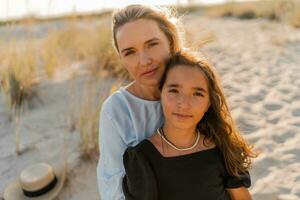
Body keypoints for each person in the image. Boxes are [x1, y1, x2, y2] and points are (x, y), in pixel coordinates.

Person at [122, 51, 258, 200]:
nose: (184, 104)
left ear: (209, 103)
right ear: (160, 94)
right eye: (174, 90)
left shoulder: (222, 148)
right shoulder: (142, 159)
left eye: (197, 94)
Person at [97, 4, 184, 199]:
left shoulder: (195, 86)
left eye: (152, 44)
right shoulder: (116, 111)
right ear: (121, 58)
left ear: (169, 41)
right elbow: (113, 191)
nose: (144, 61)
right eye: (130, 52)